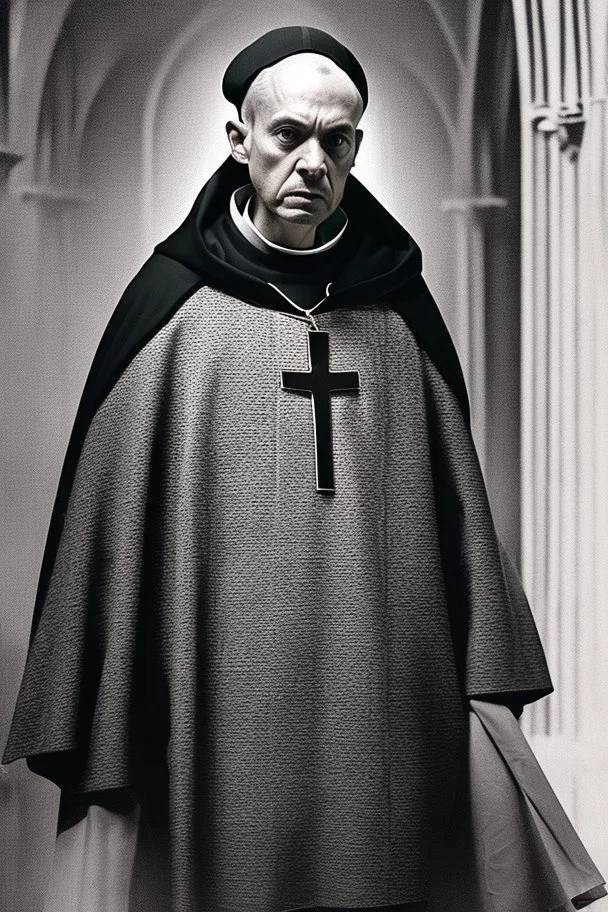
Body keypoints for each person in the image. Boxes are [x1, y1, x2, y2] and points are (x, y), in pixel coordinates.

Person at [2, 24, 605, 912]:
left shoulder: (400, 309)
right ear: (239, 140)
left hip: (387, 695)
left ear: (358, 147)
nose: (313, 161)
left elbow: (458, 526)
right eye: (289, 135)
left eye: (338, 139)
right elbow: (112, 533)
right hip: (209, 696)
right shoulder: (167, 310)